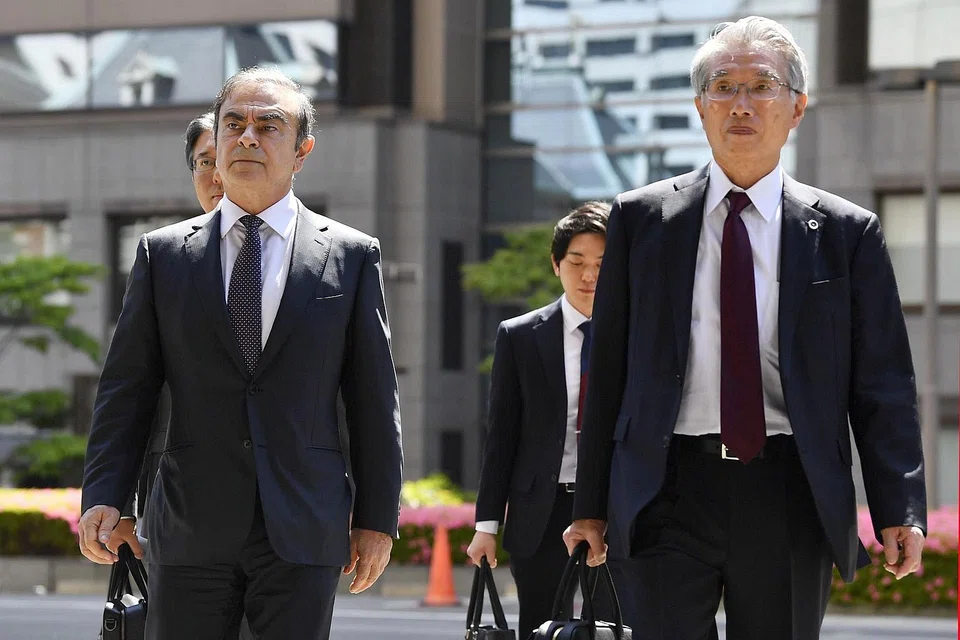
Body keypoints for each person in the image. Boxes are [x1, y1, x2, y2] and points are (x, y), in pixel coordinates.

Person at [564, 16, 927, 640]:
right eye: (723, 86)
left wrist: (899, 507)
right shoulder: (641, 220)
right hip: (664, 487)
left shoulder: (846, 233)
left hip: (788, 488)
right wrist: (590, 505)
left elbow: (882, 383)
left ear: (797, 108)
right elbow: (609, 371)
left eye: (762, 86)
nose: (741, 104)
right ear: (700, 107)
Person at [79, 67, 403, 640]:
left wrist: (378, 519)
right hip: (189, 523)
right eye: (234, 124)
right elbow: (128, 388)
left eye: (268, 125)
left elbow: (374, 400)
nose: (247, 137)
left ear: (302, 151)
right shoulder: (164, 255)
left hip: (304, 522)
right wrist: (107, 495)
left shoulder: (351, 256)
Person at [467, 203, 615, 639]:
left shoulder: (635, 334)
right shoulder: (520, 336)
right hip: (540, 513)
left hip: (614, 512)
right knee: (541, 629)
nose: (589, 275)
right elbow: (502, 437)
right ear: (556, 264)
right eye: (577, 262)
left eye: (602, 264)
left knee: (616, 628)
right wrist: (486, 528)